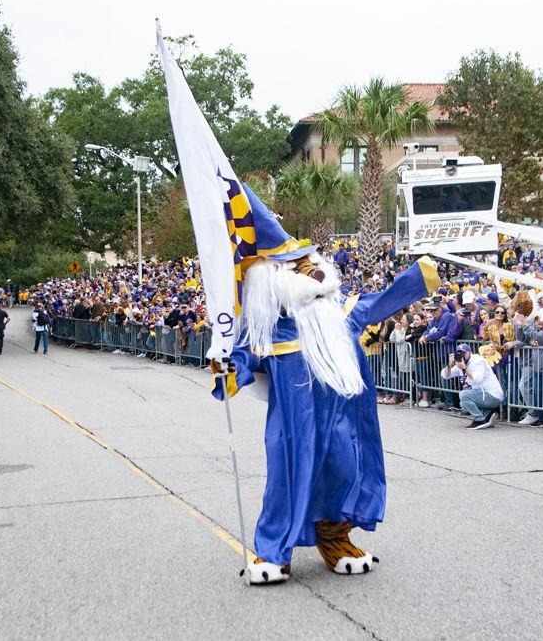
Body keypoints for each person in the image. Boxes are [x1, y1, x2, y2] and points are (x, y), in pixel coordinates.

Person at [210, 185, 440, 584]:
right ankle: (272, 551)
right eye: (297, 268)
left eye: (310, 262)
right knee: (286, 481)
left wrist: (417, 279)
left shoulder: (340, 314)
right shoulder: (271, 332)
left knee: (344, 471)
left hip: (342, 423)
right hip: (294, 428)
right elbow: (243, 358)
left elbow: (379, 302)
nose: (313, 271)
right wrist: (228, 370)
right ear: (272, 282)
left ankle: (335, 539)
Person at [440, 343, 504, 429]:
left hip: (493, 396)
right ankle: (487, 414)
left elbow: (478, 379)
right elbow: (445, 375)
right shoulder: (460, 363)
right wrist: (449, 365)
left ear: (469, 353)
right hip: (482, 395)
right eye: (459, 353)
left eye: (463, 353)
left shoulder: (478, 361)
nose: (461, 356)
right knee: (463, 403)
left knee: (464, 395)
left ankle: (479, 420)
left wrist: (464, 368)